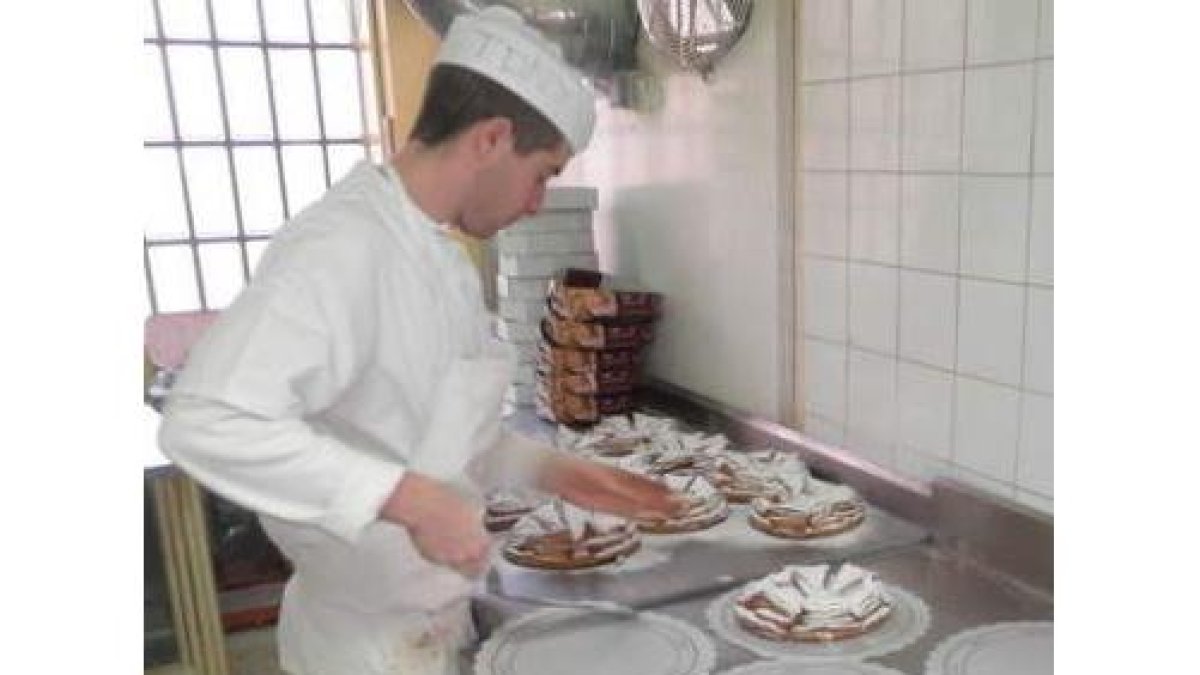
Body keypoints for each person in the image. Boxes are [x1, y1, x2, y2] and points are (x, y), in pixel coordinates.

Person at [158, 7, 678, 675]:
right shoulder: (343, 246)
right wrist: (409, 499)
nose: (536, 201)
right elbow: (205, 420)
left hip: (431, 635)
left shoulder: (437, 256)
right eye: (543, 173)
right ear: (490, 139)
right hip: (362, 652)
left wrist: (553, 470)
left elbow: (436, 437)